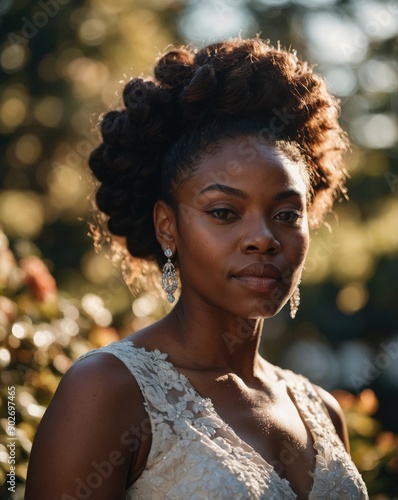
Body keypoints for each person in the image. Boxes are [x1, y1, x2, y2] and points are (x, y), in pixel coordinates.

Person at [25, 37, 368, 499]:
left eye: (286, 215)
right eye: (225, 212)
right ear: (168, 226)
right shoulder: (108, 391)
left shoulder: (323, 411)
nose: (263, 238)